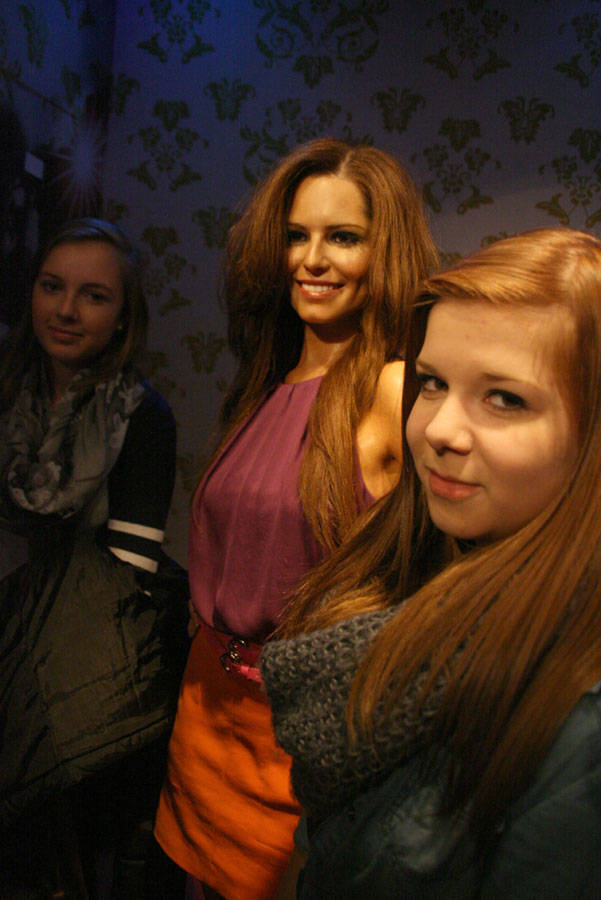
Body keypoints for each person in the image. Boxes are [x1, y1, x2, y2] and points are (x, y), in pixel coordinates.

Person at [262, 227, 601, 898]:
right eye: (433, 383)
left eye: (504, 398)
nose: (438, 430)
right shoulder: (421, 567)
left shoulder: (580, 728)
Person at [154, 137, 438, 899]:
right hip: (203, 719)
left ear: (384, 252)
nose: (311, 259)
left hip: (297, 742)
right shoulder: (266, 382)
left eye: (342, 237)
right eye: (295, 236)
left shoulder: (393, 386)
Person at [0, 218, 186, 899]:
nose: (66, 309)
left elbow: (124, 578)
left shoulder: (141, 415)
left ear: (123, 316)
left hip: (69, 679)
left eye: (94, 295)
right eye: (52, 286)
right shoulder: (5, 393)